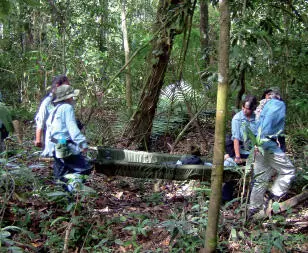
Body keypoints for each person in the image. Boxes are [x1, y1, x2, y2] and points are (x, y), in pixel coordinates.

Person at [248, 90, 295, 219]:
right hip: (268, 145)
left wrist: (256, 143)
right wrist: (263, 140)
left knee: (260, 179)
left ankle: (253, 210)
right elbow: (268, 123)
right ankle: (274, 194)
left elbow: (254, 125)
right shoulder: (277, 104)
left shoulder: (261, 106)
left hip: (258, 146)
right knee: (288, 170)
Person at [45, 85, 92, 192]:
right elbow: (72, 128)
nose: (73, 99)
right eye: (72, 96)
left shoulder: (54, 109)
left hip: (55, 144)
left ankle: (62, 195)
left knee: (63, 171)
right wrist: (82, 144)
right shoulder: (67, 108)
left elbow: (49, 129)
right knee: (84, 168)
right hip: (63, 144)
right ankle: (72, 190)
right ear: (68, 97)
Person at [34, 75, 70, 154]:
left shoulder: (64, 102)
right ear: (57, 86)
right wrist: (38, 139)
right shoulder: (48, 102)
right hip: (51, 139)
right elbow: (40, 121)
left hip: (62, 139)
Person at [226, 95, 258, 164]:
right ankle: (230, 156)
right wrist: (237, 156)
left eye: (247, 109)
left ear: (253, 109)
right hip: (240, 149)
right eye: (243, 107)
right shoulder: (237, 118)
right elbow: (236, 138)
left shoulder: (257, 118)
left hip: (254, 149)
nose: (244, 110)